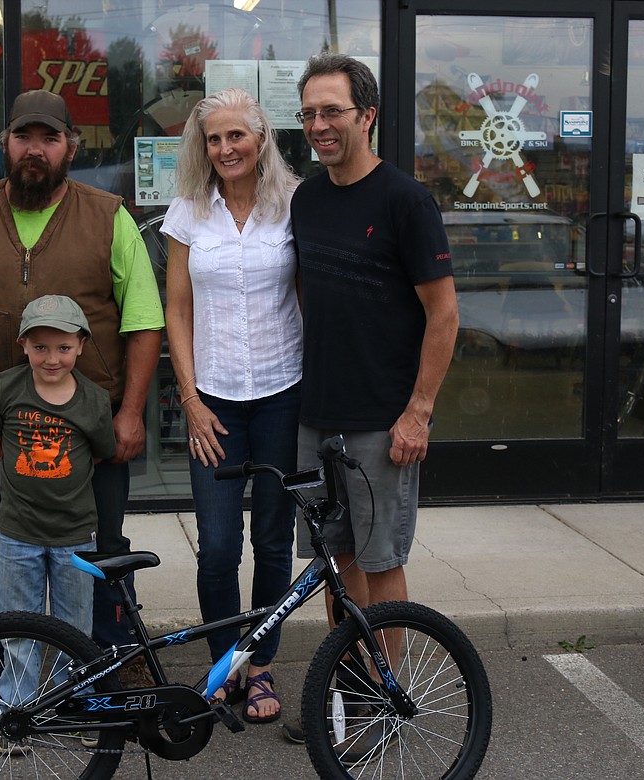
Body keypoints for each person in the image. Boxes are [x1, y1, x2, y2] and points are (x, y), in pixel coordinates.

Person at [0, 90, 165, 709]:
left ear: (70, 145)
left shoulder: (109, 217)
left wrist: (129, 413)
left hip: (89, 436)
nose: (35, 151)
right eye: (24, 138)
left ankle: (103, 669)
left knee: (98, 552)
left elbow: (144, 321)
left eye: (49, 139)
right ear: (6, 144)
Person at [281, 54, 459, 746]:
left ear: (367, 115)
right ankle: (345, 698)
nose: (319, 126)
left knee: (380, 564)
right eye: (310, 113)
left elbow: (443, 316)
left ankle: (388, 702)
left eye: (333, 111)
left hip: (382, 424)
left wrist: (418, 411)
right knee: (336, 563)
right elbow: (306, 296)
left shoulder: (405, 202)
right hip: (317, 415)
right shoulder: (308, 199)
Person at [161, 87, 302, 725]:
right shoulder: (188, 213)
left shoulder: (295, 206)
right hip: (212, 400)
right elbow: (177, 309)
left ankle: (262, 664)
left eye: (236, 136)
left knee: (273, 542)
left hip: (281, 395)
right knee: (218, 546)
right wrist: (190, 401)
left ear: (261, 137)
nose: (225, 149)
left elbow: (309, 295)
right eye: (214, 139)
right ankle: (224, 663)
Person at [0, 296, 116, 722]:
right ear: (23, 345)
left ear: (81, 345)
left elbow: (102, 454)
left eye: (63, 348)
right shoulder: (6, 388)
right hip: (17, 533)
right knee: (18, 629)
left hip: (75, 535)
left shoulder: (93, 400)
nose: (52, 358)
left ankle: (75, 706)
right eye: (41, 347)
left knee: (76, 631)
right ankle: (17, 711)